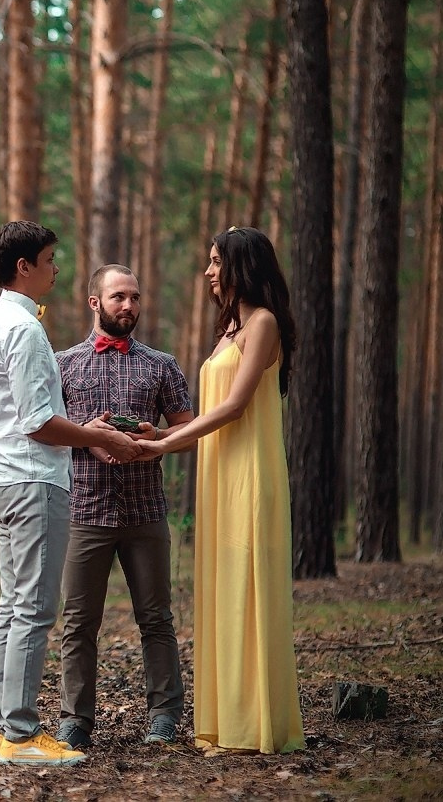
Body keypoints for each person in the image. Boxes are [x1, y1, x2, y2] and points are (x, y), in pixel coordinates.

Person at [0, 221, 143, 767]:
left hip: (9, 476)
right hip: (31, 481)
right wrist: (98, 437)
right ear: (23, 267)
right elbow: (38, 422)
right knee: (33, 609)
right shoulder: (22, 329)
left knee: (13, 606)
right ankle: (20, 735)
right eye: (48, 259)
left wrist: (85, 432)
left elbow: (35, 416)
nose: (56, 268)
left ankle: (6, 728)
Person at [137, 226, 305, 755]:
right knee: (222, 592)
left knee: (247, 590)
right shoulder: (230, 327)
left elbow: (234, 407)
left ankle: (254, 724)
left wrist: (167, 445)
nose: (209, 272)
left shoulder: (264, 323)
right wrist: (160, 435)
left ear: (242, 266)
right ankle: (224, 719)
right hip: (218, 475)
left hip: (249, 475)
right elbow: (211, 412)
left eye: (216, 261)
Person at [53, 264, 194, 752]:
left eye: (134, 297)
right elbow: (45, 431)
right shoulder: (62, 365)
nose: (128, 305)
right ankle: (75, 720)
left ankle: (165, 715)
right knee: (78, 623)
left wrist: (157, 439)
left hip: (145, 510)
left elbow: (189, 431)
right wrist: (89, 439)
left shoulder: (161, 365)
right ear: (95, 302)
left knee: (156, 618)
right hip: (84, 511)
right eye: (118, 297)